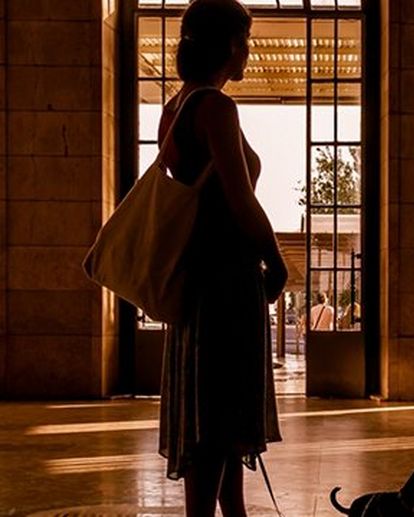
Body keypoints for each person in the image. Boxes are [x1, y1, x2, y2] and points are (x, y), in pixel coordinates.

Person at [156, 1, 288, 515]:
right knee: (220, 423)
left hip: (195, 280)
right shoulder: (215, 108)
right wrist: (275, 263)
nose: (249, 50)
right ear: (230, 45)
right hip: (227, 282)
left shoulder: (176, 107)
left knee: (211, 419)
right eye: (245, 39)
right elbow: (240, 198)